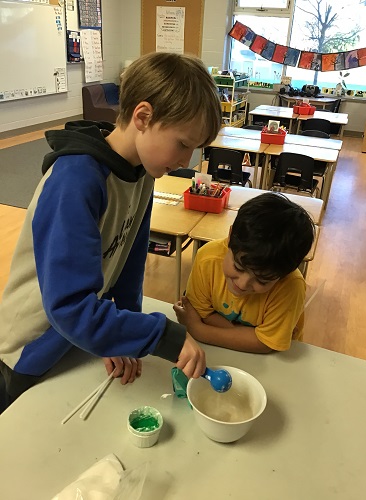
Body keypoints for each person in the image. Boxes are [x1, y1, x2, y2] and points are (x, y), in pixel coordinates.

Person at [0, 52, 222, 413]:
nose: (187, 161)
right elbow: (68, 306)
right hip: (30, 349)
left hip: (77, 339)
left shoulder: (143, 174)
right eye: (183, 144)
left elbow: (128, 267)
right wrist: (161, 336)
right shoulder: (76, 181)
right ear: (143, 117)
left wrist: (124, 334)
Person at [173, 193, 315, 353]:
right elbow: (201, 312)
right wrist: (248, 336)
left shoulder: (291, 286)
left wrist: (198, 330)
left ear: (284, 274)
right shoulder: (208, 259)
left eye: (262, 281)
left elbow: (266, 344)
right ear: (230, 236)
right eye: (238, 267)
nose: (242, 284)